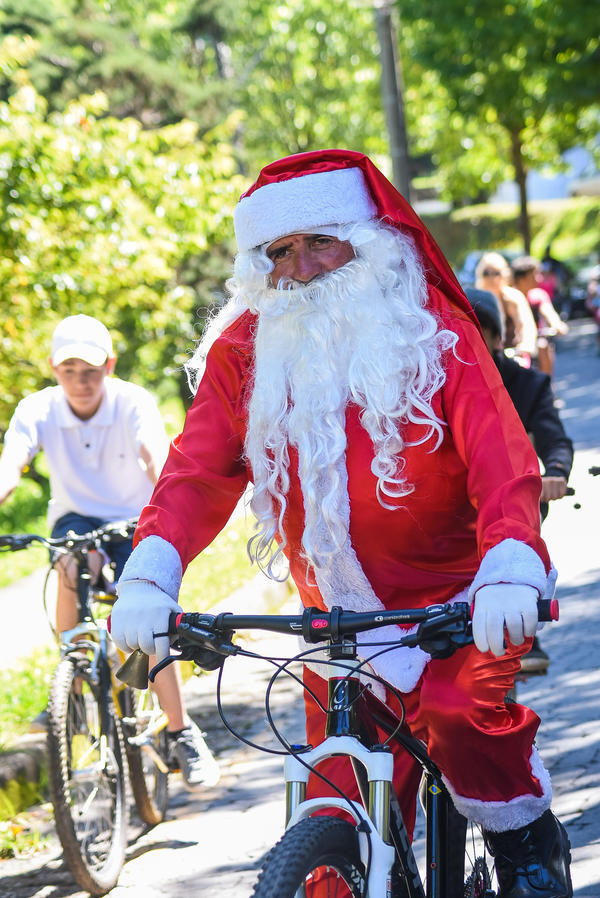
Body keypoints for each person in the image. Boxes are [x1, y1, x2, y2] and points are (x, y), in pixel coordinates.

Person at [110, 150, 573, 897]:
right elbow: (196, 474)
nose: (301, 268)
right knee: (334, 805)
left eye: (321, 241)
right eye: (280, 252)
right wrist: (151, 574)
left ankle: (526, 847)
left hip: (459, 608)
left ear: (370, 238)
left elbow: (502, 461)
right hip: (338, 628)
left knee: (461, 721)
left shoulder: (436, 334)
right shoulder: (245, 351)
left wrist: (512, 561)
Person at [0, 314, 217, 789]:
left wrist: (170, 512)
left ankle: (181, 731)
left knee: (147, 617)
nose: (81, 381)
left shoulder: (131, 402)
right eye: (70, 370)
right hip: (77, 517)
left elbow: (156, 458)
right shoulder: (36, 408)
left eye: (91, 370)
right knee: (68, 562)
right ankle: (74, 684)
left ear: (110, 366)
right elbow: (12, 461)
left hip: (136, 515)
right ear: (55, 370)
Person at [465, 287, 574, 674]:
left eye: (481, 332)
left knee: (516, 537)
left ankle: (526, 623)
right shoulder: (429, 383)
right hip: (449, 508)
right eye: (461, 331)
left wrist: (556, 473)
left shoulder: (528, 384)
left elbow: (553, 437)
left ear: (498, 338)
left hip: (511, 502)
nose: (471, 343)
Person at [475, 251, 538, 367]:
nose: (491, 277)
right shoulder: (476, 299)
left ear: (504, 274)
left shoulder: (513, 297)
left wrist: (526, 346)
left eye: (496, 273)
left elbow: (526, 324)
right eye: (486, 273)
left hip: (513, 357)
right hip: (486, 360)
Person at [511, 256, 569, 378]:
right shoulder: (508, 297)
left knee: (543, 345)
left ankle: (545, 388)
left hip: (535, 342)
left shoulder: (538, 295)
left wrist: (557, 324)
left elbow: (549, 312)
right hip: (513, 345)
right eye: (535, 274)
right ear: (521, 278)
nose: (539, 278)